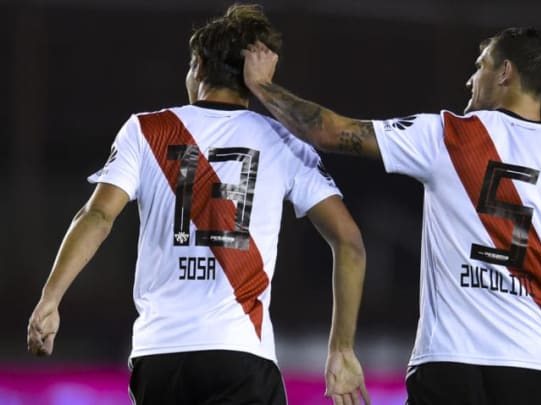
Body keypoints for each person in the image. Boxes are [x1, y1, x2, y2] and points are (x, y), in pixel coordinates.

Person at [241, 27, 541, 405]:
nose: (470, 80)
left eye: (479, 66)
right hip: (533, 370)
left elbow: (328, 131)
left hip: (447, 369)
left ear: (505, 72)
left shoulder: (445, 133)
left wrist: (261, 85)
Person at [27, 4, 371, 405]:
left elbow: (98, 215)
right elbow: (350, 243)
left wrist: (50, 299)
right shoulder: (282, 141)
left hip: (160, 359)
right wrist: (341, 348)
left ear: (198, 66)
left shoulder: (147, 129)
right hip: (239, 356)